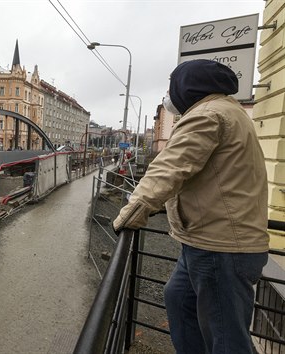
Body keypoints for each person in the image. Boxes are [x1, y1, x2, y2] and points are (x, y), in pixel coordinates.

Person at [112, 59, 269, 354]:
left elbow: (169, 167)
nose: (169, 96)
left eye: (172, 88)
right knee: (179, 299)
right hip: (208, 239)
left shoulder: (208, 115)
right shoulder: (228, 111)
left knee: (226, 338)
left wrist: (134, 210)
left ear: (187, 87)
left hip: (220, 245)